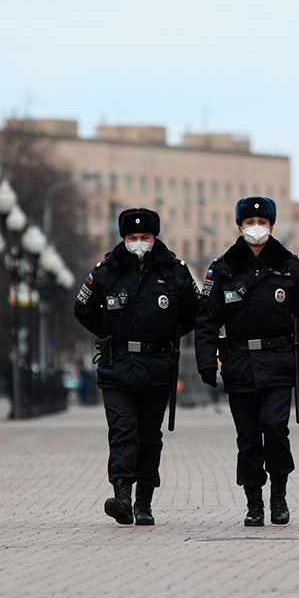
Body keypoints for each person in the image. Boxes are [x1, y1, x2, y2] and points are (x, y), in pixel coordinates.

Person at [195, 197, 299, 526]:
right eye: (250, 222)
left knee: (274, 428)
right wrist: (206, 362)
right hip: (238, 363)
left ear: (271, 226)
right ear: (239, 227)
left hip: (279, 362)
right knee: (249, 437)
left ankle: (278, 493)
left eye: (263, 222)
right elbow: (207, 319)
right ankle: (254, 501)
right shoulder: (222, 268)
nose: (257, 228)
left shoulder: (290, 266)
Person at [74, 207, 199, 526]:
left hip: (158, 364)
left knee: (148, 436)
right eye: (132, 237)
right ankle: (121, 496)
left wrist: (167, 335)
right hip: (117, 366)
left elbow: (195, 311)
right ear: (123, 238)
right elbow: (83, 308)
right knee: (122, 432)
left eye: (145, 237)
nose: (139, 243)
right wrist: (109, 332)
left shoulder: (174, 270)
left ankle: (144, 501)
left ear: (155, 237)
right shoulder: (108, 269)